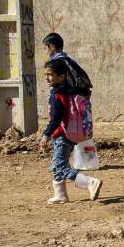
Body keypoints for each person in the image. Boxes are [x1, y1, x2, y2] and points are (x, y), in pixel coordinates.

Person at [40, 59, 102, 203]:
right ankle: (61, 195)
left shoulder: (57, 95)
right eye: (45, 75)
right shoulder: (69, 91)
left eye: (50, 75)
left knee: (60, 166)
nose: (47, 78)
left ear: (62, 77)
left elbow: (56, 119)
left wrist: (46, 134)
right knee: (57, 164)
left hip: (62, 135)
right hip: (69, 134)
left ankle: (89, 183)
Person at [42, 32, 91, 96]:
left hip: (65, 99)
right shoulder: (70, 60)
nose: (45, 52)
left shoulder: (56, 63)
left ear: (52, 47)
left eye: (45, 48)